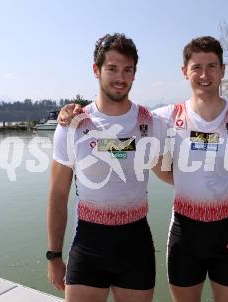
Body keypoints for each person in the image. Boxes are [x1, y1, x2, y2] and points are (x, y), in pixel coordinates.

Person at [57, 36, 228, 302]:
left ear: (223, 70)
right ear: (184, 72)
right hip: (184, 239)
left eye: (212, 66)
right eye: (196, 67)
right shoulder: (165, 118)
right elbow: (123, 137)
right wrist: (71, 111)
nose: (204, 75)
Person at [47, 33, 170, 302]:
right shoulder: (73, 124)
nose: (120, 77)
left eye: (128, 70)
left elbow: (179, 163)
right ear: (96, 70)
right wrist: (54, 256)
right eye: (112, 68)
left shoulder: (151, 122)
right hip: (88, 246)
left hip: (135, 247)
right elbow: (58, 195)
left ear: (135, 74)